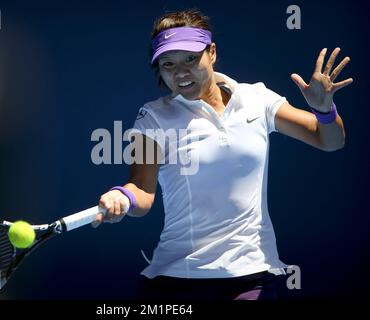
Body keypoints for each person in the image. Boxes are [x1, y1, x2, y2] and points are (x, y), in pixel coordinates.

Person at [91, 9, 352, 300]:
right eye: (168, 64)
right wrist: (122, 198)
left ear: (212, 52)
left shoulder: (258, 99)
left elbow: (330, 141)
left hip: (253, 275)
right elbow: (141, 190)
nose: (180, 73)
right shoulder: (152, 118)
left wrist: (324, 110)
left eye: (190, 59)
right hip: (176, 279)